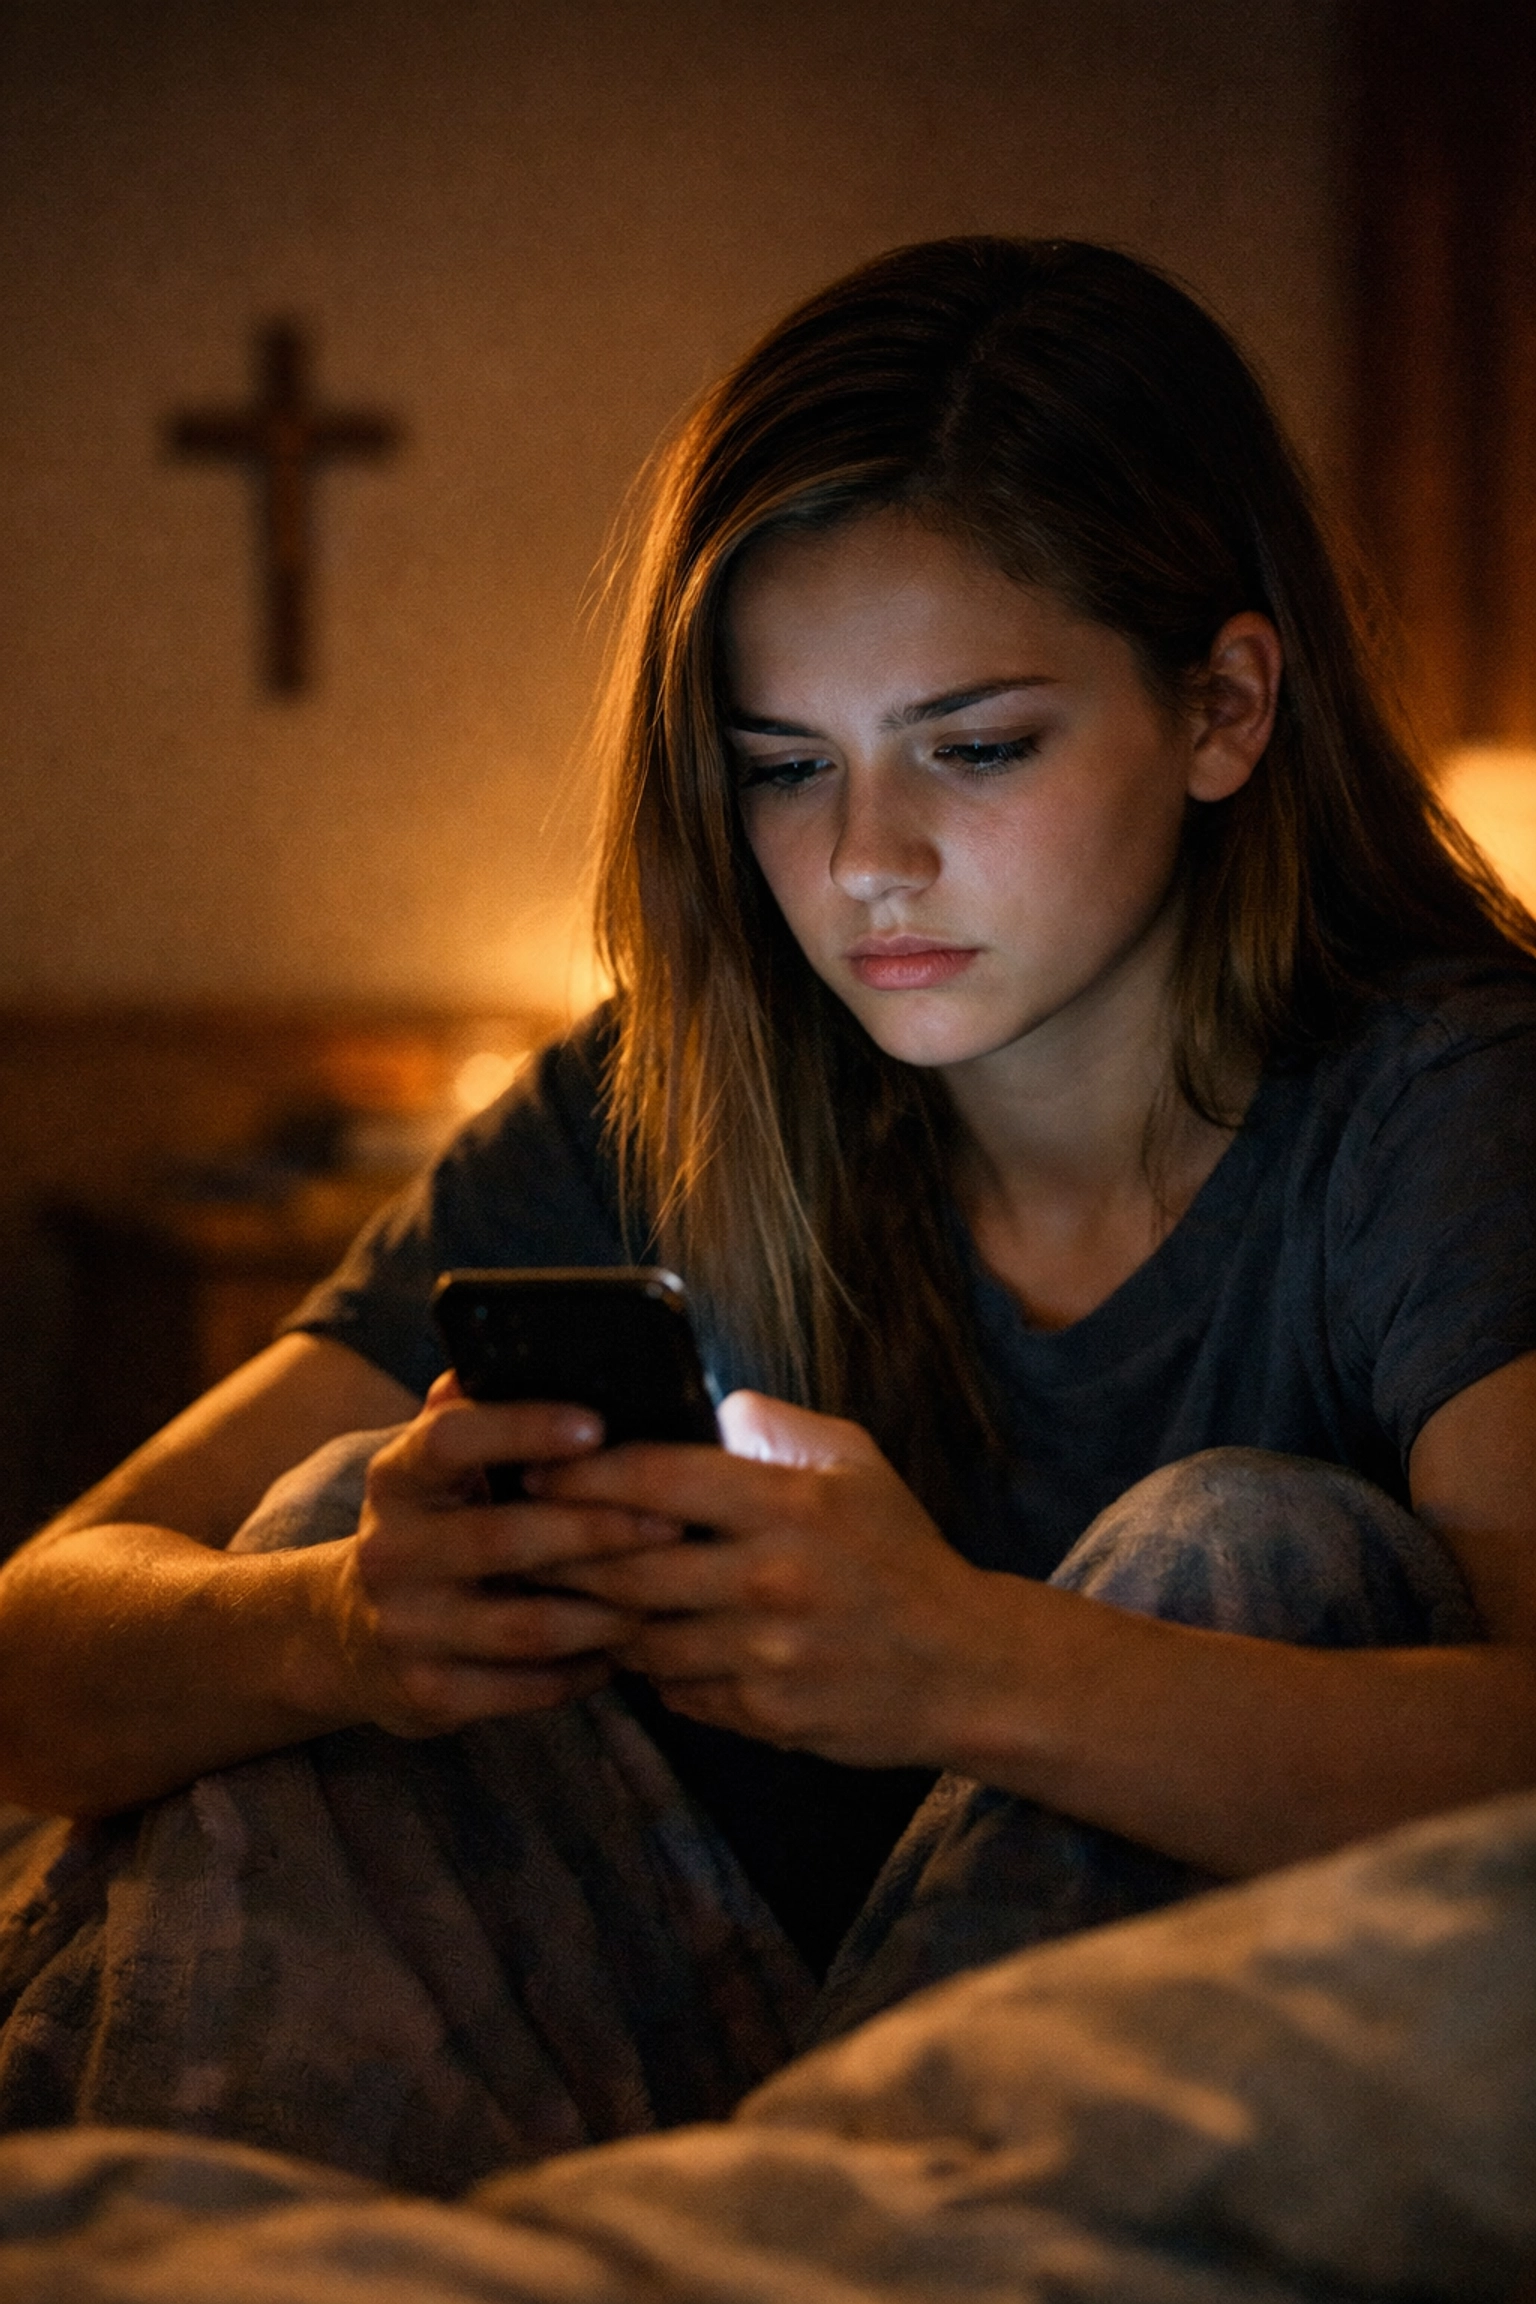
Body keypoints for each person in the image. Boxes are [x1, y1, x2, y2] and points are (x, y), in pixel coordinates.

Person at [0, 237, 1532, 2184]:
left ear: (1224, 709)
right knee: (309, 1538)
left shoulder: (1443, 1106)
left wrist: (964, 1663)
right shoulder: (667, 1089)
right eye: (784, 769)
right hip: (676, 2059)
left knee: (1247, 1545)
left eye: (974, 749)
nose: (869, 863)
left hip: (1135, 2111)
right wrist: (340, 1630)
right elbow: (33, 1655)